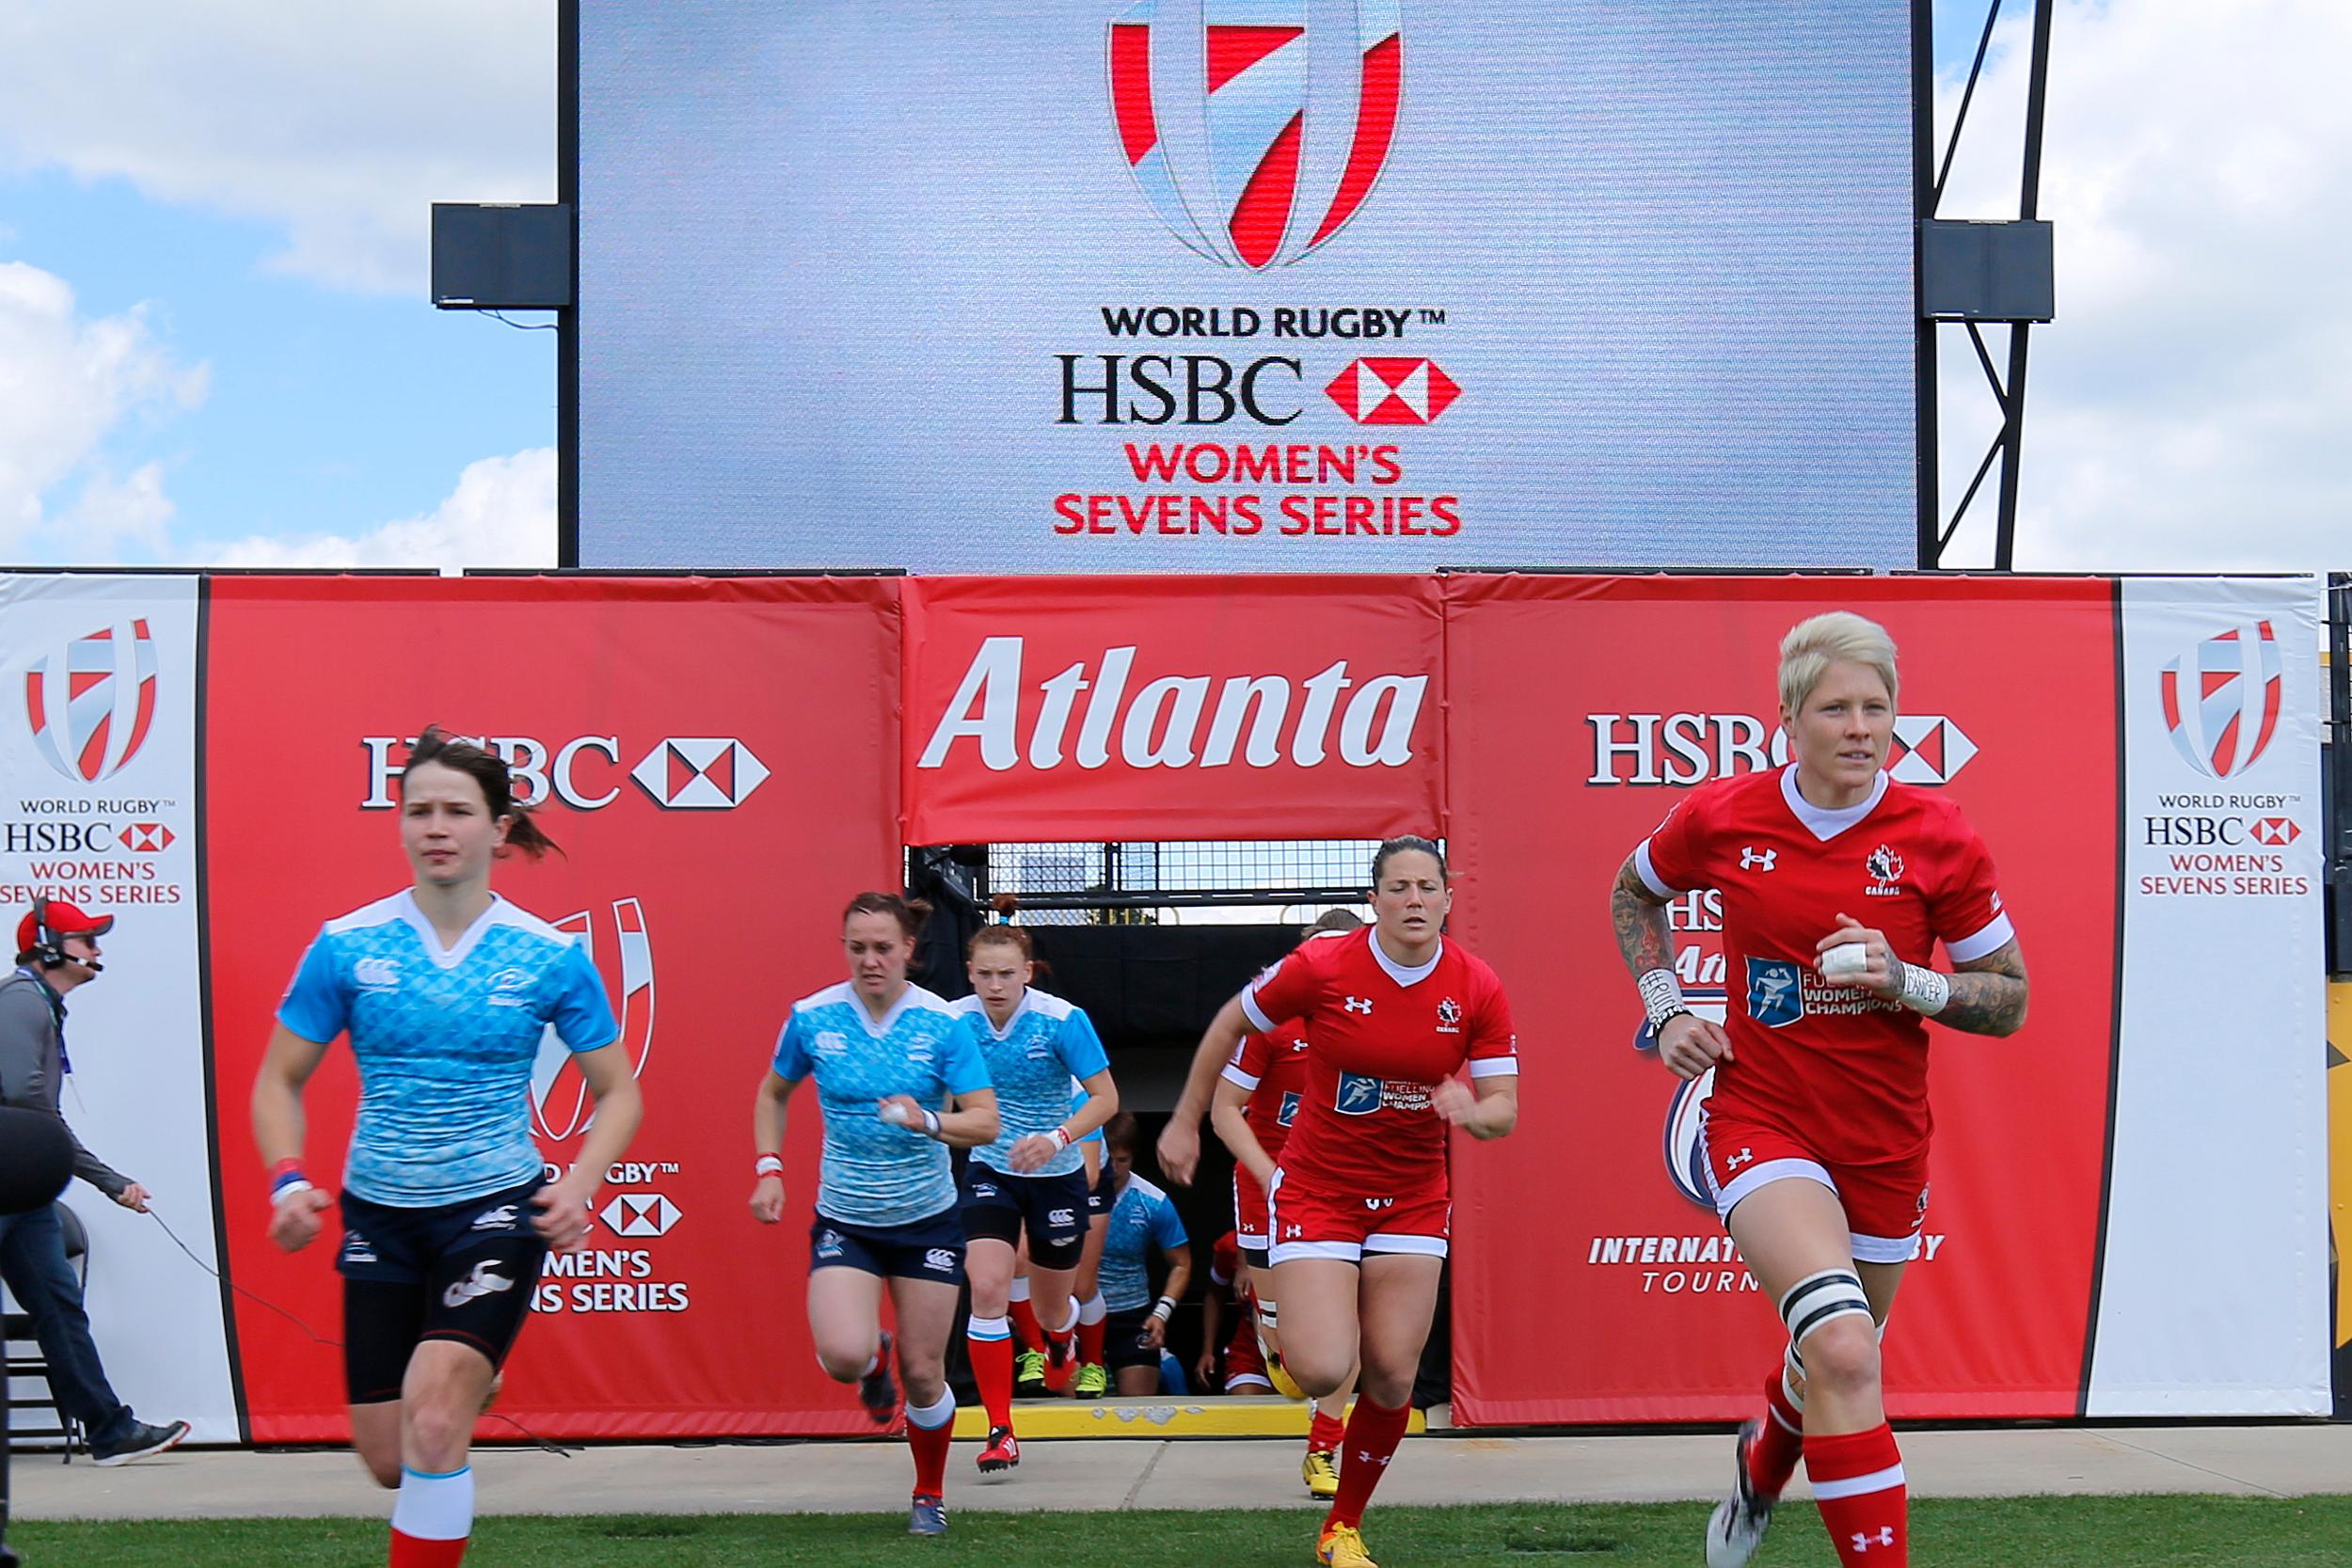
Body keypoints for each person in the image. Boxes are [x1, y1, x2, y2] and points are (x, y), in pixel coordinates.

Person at [1609, 612, 2028, 1568]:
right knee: (1842, 1345)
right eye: (1835, 706)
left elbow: (2007, 1000)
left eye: (1876, 706)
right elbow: (1632, 891)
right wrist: (1667, 1005)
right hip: (1760, 1113)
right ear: (1788, 717)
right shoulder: (1724, 814)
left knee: (1831, 1352)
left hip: (1883, 1137)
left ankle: (1763, 1464)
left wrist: (1906, 979)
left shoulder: (1938, 835)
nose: (1859, 726)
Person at [252, 728, 644, 1568]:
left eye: (457, 811)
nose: (437, 826)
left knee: (433, 1419)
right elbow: (277, 1080)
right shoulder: (347, 944)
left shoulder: (549, 954)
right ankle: (475, 1370)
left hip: (495, 1203)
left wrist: (578, 1182)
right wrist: (288, 1180)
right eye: (418, 809)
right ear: (398, 823)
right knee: (390, 1457)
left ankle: (461, 1371)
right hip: (379, 1213)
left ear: (498, 829)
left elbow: (619, 1090)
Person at [1160, 836, 1518, 1568]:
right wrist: (1185, 1118)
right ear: (1375, 898)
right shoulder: (1322, 966)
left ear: (1449, 898)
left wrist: (1470, 1109)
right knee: (1324, 1370)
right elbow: (1232, 1021)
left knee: (1390, 1375)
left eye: (1427, 886)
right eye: (1398, 887)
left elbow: (1505, 1107)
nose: (1414, 899)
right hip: (1320, 1190)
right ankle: (1287, 1325)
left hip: (1414, 1199)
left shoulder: (1477, 984)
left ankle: (1342, 1528)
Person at [751, 892, 998, 1536]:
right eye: (856, 947)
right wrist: (769, 1166)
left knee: (923, 1373)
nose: (870, 960)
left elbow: (986, 1120)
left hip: (927, 1222)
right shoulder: (813, 1016)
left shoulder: (943, 1024)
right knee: (841, 1355)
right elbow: (773, 1090)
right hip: (847, 1220)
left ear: (908, 950)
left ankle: (928, 1491)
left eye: (883, 947)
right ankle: (869, 1354)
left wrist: (929, 1119)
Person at [0, 899, 191, 1465]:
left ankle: (109, 1432)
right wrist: (108, 1180)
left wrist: (105, 1180)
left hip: (22, 1187)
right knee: (58, 1305)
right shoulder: (20, 1002)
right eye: (87, 940)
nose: (97, 951)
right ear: (50, 947)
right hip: (11, 1179)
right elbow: (23, 1102)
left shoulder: (39, 1006)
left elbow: (35, 1119)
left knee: (59, 1306)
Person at [951, 925, 1119, 1472]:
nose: (995, 985)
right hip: (989, 1168)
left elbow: (1106, 1099)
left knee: (1051, 1308)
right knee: (989, 1286)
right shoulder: (953, 1021)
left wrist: (1056, 1139)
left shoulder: (1062, 1020)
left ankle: (1062, 1340)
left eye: (1006, 974)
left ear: (1027, 972)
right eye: (984, 974)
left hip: (1057, 1173)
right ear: (969, 972)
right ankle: (1001, 1428)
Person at [1211, 911, 1364, 1497]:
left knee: (1344, 1328)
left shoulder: (1372, 1022)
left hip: (1339, 1191)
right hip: (1266, 1184)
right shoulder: (1270, 1024)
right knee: (1287, 1355)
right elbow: (1226, 1112)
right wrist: (1273, 1176)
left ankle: (1324, 1447)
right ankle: (1272, 1332)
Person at [1094, 1113, 1192, 1395]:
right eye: (1105, 1158)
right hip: (1078, 1315)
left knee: (1135, 1410)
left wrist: (1161, 1314)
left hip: (1132, 1316)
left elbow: (1182, 1264)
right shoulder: (1071, 1193)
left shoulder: (1152, 1201)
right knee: (1075, 1412)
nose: (1112, 1168)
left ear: (1134, 1157)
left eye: (1121, 1160)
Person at [1197, 1229, 1273, 1394]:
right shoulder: (1231, 1245)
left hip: (1304, 1349)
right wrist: (1207, 1351)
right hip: (1250, 1353)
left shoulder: (1306, 1245)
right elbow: (1215, 1294)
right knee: (1247, 1409)